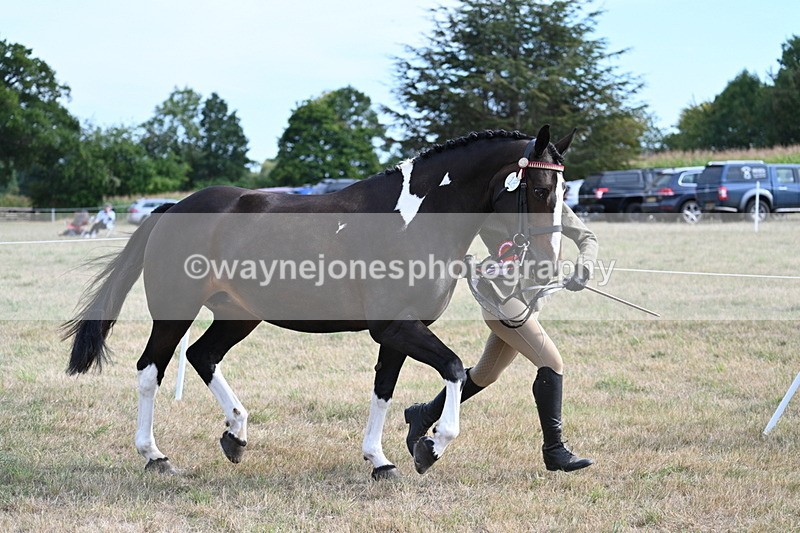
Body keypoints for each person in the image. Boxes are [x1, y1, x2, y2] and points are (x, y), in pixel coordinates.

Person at [404, 202, 598, 472]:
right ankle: (554, 451)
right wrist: (469, 264)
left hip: (531, 302)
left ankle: (423, 413)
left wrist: (584, 267)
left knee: (486, 374)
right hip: (502, 299)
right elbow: (451, 239)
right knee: (552, 362)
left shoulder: (549, 198)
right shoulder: (494, 201)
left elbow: (587, 237)